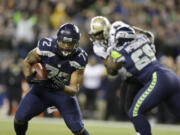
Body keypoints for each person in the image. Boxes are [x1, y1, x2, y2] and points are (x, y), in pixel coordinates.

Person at [14, 23, 90, 135]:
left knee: (77, 128)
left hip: (62, 94)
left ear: (76, 43)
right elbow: (27, 62)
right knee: (19, 119)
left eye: (70, 43)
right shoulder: (46, 46)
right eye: (63, 42)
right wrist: (29, 77)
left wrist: (60, 85)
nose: (65, 46)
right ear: (57, 39)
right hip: (41, 90)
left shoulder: (80, 58)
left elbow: (74, 90)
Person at [104, 24, 180, 135]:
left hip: (158, 78)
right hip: (172, 76)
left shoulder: (117, 51)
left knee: (135, 112)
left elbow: (113, 69)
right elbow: (149, 36)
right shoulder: (143, 39)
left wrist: (109, 55)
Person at [88, 16, 155, 115]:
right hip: (127, 74)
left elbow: (139, 35)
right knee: (126, 107)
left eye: (98, 33)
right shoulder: (97, 47)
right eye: (95, 34)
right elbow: (113, 68)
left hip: (140, 68)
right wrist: (114, 56)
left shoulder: (117, 26)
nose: (97, 37)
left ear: (106, 29)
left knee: (136, 105)